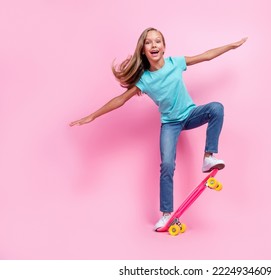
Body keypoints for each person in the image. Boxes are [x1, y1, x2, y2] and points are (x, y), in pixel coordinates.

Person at [70, 27, 247, 230]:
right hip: (170, 124)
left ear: (164, 47)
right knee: (167, 166)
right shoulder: (144, 80)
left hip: (190, 114)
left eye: (157, 41)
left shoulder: (176, 63)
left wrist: (231, 46)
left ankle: (208, 157)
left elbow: (205, 56)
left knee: (216, 108)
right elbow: (120, 100)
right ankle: (166, 214)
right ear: (143, 50)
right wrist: (92, 115)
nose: (154, 45)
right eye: (148, 42)